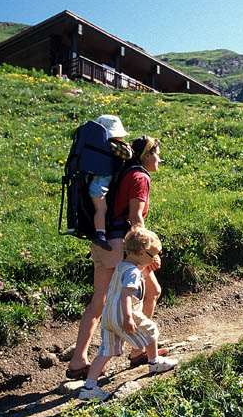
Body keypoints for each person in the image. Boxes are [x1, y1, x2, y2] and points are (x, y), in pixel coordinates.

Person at [67, 133, 167, 379]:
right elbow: (136, 219)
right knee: (151, 292)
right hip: (122, 245)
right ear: (147, 155)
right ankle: (138, 349)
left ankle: (78, 360)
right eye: (157, 154)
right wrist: (149, 253)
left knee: (98, 301)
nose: (160, 159)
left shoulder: (122, 173)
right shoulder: (140, 177)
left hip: (101, 241)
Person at [79, 227, 178, 401]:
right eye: (152, 255)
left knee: (105, 350)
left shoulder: (123, 266)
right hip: (123, 313)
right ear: (141, 253)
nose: (155, 258)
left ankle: (89, 387)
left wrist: (147, 270)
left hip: (108, 316)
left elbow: (131, 280)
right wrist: (129, 317)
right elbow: (126, 294)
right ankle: (154, 362)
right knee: (151, 330)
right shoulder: (132, 272)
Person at [90, 115, 133, 251]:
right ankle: (100, 234)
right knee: (101, 209)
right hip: (98, 187)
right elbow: (128, 154)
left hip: (96, 185)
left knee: (101, 209)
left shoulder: (93, 146)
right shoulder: (110, 145)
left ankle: (100, 232)